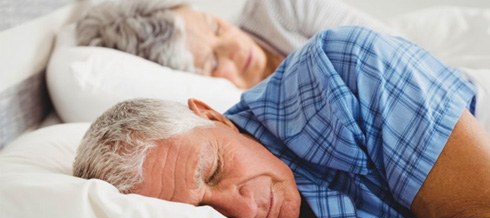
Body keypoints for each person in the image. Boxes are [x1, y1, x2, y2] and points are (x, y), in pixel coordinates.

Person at [73, 26, 490, 218]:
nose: (243, 212)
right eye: (202, 215)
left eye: (215, 170)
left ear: (213, 116)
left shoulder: (339, 75)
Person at [75, 0, 396, 89]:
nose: (231, 45)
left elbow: (391, 55)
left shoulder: (282, 7)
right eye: (212, 62)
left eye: (215, 27)